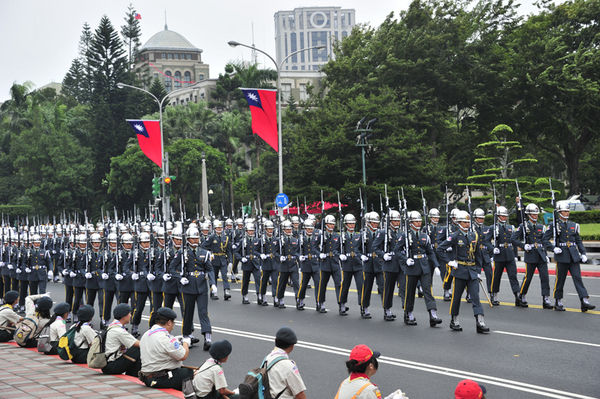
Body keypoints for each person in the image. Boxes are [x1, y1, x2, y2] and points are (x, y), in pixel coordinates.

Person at [438, 211, 489, 333]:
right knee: (456, 298)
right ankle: (454, 320)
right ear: (459, 223)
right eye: (464, 222)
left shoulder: (474, 236)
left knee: (475, 297)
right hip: (460, 271)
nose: (467, 224)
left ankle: (480, 322)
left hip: (472, 271)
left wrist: (478, 270)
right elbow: (440, 249)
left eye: (467, 222)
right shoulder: (454, 236)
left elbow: (478, 254)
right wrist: (449, 262)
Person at [543, 200, 595, 312]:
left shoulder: (573, 225)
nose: (567, 213)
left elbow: (578, 241)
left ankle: (584, 300)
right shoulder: (554, 225)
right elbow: (544, 240)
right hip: (562, 256)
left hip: (573, 256)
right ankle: (558, 301)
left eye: (568, 211)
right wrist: (553, 248)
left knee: (578, 278)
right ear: (559, 212)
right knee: (560, 280)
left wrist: (583, 253)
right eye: (565, 211)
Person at [395, 211, 442, 327]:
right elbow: (396, 251)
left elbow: (430, 252)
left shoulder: (424, 236)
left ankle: (433, 314)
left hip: (424, 266)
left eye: (420, 221)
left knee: (427, 291)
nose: (419, 223)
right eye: (416, 221)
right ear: (410, 223)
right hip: (411, 267)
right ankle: (408, 313)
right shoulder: (405, 236)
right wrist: (405, 259)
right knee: (410, 292)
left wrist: (436, 265)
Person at [139, 307, 193, 390]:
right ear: (169, 323)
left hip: (147, 378)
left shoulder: (146, 334)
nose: (173, 327)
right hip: (160, 379)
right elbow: (183, 356)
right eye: (173, 323)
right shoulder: (164, 338)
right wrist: (186, 343)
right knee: (190, 373)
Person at [512, 202, 552, 309]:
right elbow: (513, 239)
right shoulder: (523, 226)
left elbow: (544, 241)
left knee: (545, 277)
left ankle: (546, 298)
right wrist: (523, 245)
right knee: (528, 278)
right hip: (530, 255)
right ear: (528, 215)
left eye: (536, 214)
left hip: (541, 255)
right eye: (533, 214)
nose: (535, 216)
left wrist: (546, 254)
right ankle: (521, 296)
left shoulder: (541, 227)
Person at [262, 327, 306, 399]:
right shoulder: (289, 366)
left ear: (275, 341)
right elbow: (300, 394)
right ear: (292, 346)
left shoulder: (267, 358)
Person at [489, 206, 521, 306]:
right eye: (502, 216)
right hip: (499, 255)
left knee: (513, 276)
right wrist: (492, 249)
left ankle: (517, 296)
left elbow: (513, 241)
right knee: (497, 276)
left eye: (505, 216)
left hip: (510, 255)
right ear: (498, 216)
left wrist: (515, 255)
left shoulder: (510, 227)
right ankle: (494, 295)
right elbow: (486, 241)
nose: (504, 218)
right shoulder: (493, 228)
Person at [102, 303, 141, 376]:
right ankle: (133, 375)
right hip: (112, 366)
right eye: (129, 313)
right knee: (137, 349)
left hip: (106, 364)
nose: (130, 316)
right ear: (124, 316)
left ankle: (131, 373)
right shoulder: (119, 330)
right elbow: (138, 344)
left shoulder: (112, 326)